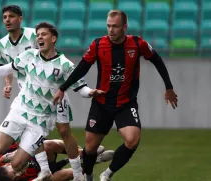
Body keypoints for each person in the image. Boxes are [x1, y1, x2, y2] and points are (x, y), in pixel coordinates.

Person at [0, 22, 104, 181]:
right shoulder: (29, 56)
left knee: (17, 165)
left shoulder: (65, 65)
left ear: (54, 38)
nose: (39, 38)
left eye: (44, 34)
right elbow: (6, 68)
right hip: (20, 110)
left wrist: (90, 92)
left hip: (40, 121)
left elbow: (80, 87)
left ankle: (65, 169)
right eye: (37, 35)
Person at [52, 10, 178, 181]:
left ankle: (107, 174)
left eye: (115, 27)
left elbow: (157, 60)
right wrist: (63, 88)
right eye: (108, 26)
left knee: (132, 140)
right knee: (90, 149)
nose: (111, 30)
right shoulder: (98, 45)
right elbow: (82, 67)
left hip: (126, 103)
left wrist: (168, 87)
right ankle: (88, 175)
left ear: (124, 27)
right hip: (102, 103)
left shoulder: (137, 44)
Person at [0, 5, 88, 180]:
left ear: (20, 18)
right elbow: (6, 67)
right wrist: (8, 84)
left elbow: (48, 55)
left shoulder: (34, 35)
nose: (7, 20)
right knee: (31, 128)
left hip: (51, 90)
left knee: (63, 131)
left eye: (11, 16)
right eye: (5, 17)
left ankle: (82, 162)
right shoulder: (2, 44)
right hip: (28, 93)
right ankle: (49, 169)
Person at [0, 139, 115, 181]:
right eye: (16, 178)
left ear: (8, 163)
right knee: (67, 174)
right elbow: (50, 171)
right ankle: (89, 162)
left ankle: (84, 153)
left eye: (14, 172)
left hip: (42, 153)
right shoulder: (22, 179)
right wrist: (67, 161)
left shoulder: (6, 154)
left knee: (47, 144)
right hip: (45, 173)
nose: (19, 175)